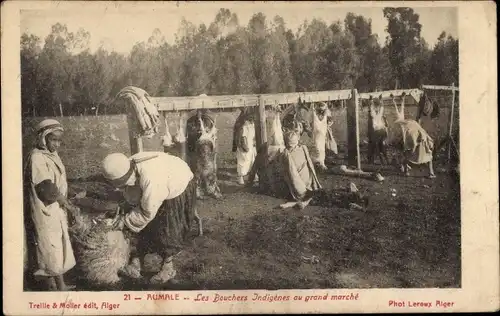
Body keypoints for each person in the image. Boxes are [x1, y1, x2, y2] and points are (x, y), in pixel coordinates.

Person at [101, 151, 200, 284]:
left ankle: (167, 268)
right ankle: (137, 261)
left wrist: (124, 221)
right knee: (138, 217)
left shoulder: (152, 180)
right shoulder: (124, 165)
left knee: (167, 226)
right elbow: (133, 198)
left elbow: (146, 212)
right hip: (161, 178)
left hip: (177, 182)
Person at [24, 119, 77, 291]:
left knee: (54, 246)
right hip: (45, 207)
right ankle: (54, 286)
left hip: (53, 207)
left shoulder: (51, 155)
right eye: (53, 139)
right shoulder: (37, 157)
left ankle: (57, 285)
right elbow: (46, 187)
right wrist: (65, 203)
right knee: (49, 247)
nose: (57, 144)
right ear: (43, 138)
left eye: (59, 140)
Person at [234, 109, 257, 185]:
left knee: (252, 161)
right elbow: (243, 137)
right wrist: (244, 146)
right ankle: (240, 177)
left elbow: (252, 136)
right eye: (251, 118)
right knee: (243, 161)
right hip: (244, 146)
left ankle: (253, 176)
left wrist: (254, 142)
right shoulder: (244, 126)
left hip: (250, 145)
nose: (252, 120)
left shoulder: (252, 125)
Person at [367, 97, 389, 165]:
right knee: (378, 148)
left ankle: (385, 161)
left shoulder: (376, 116)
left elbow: (378, 110)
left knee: (380, 148)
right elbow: (373, 110)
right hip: (377, 131)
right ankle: (382, 161)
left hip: (379, 131)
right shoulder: (374, 116)